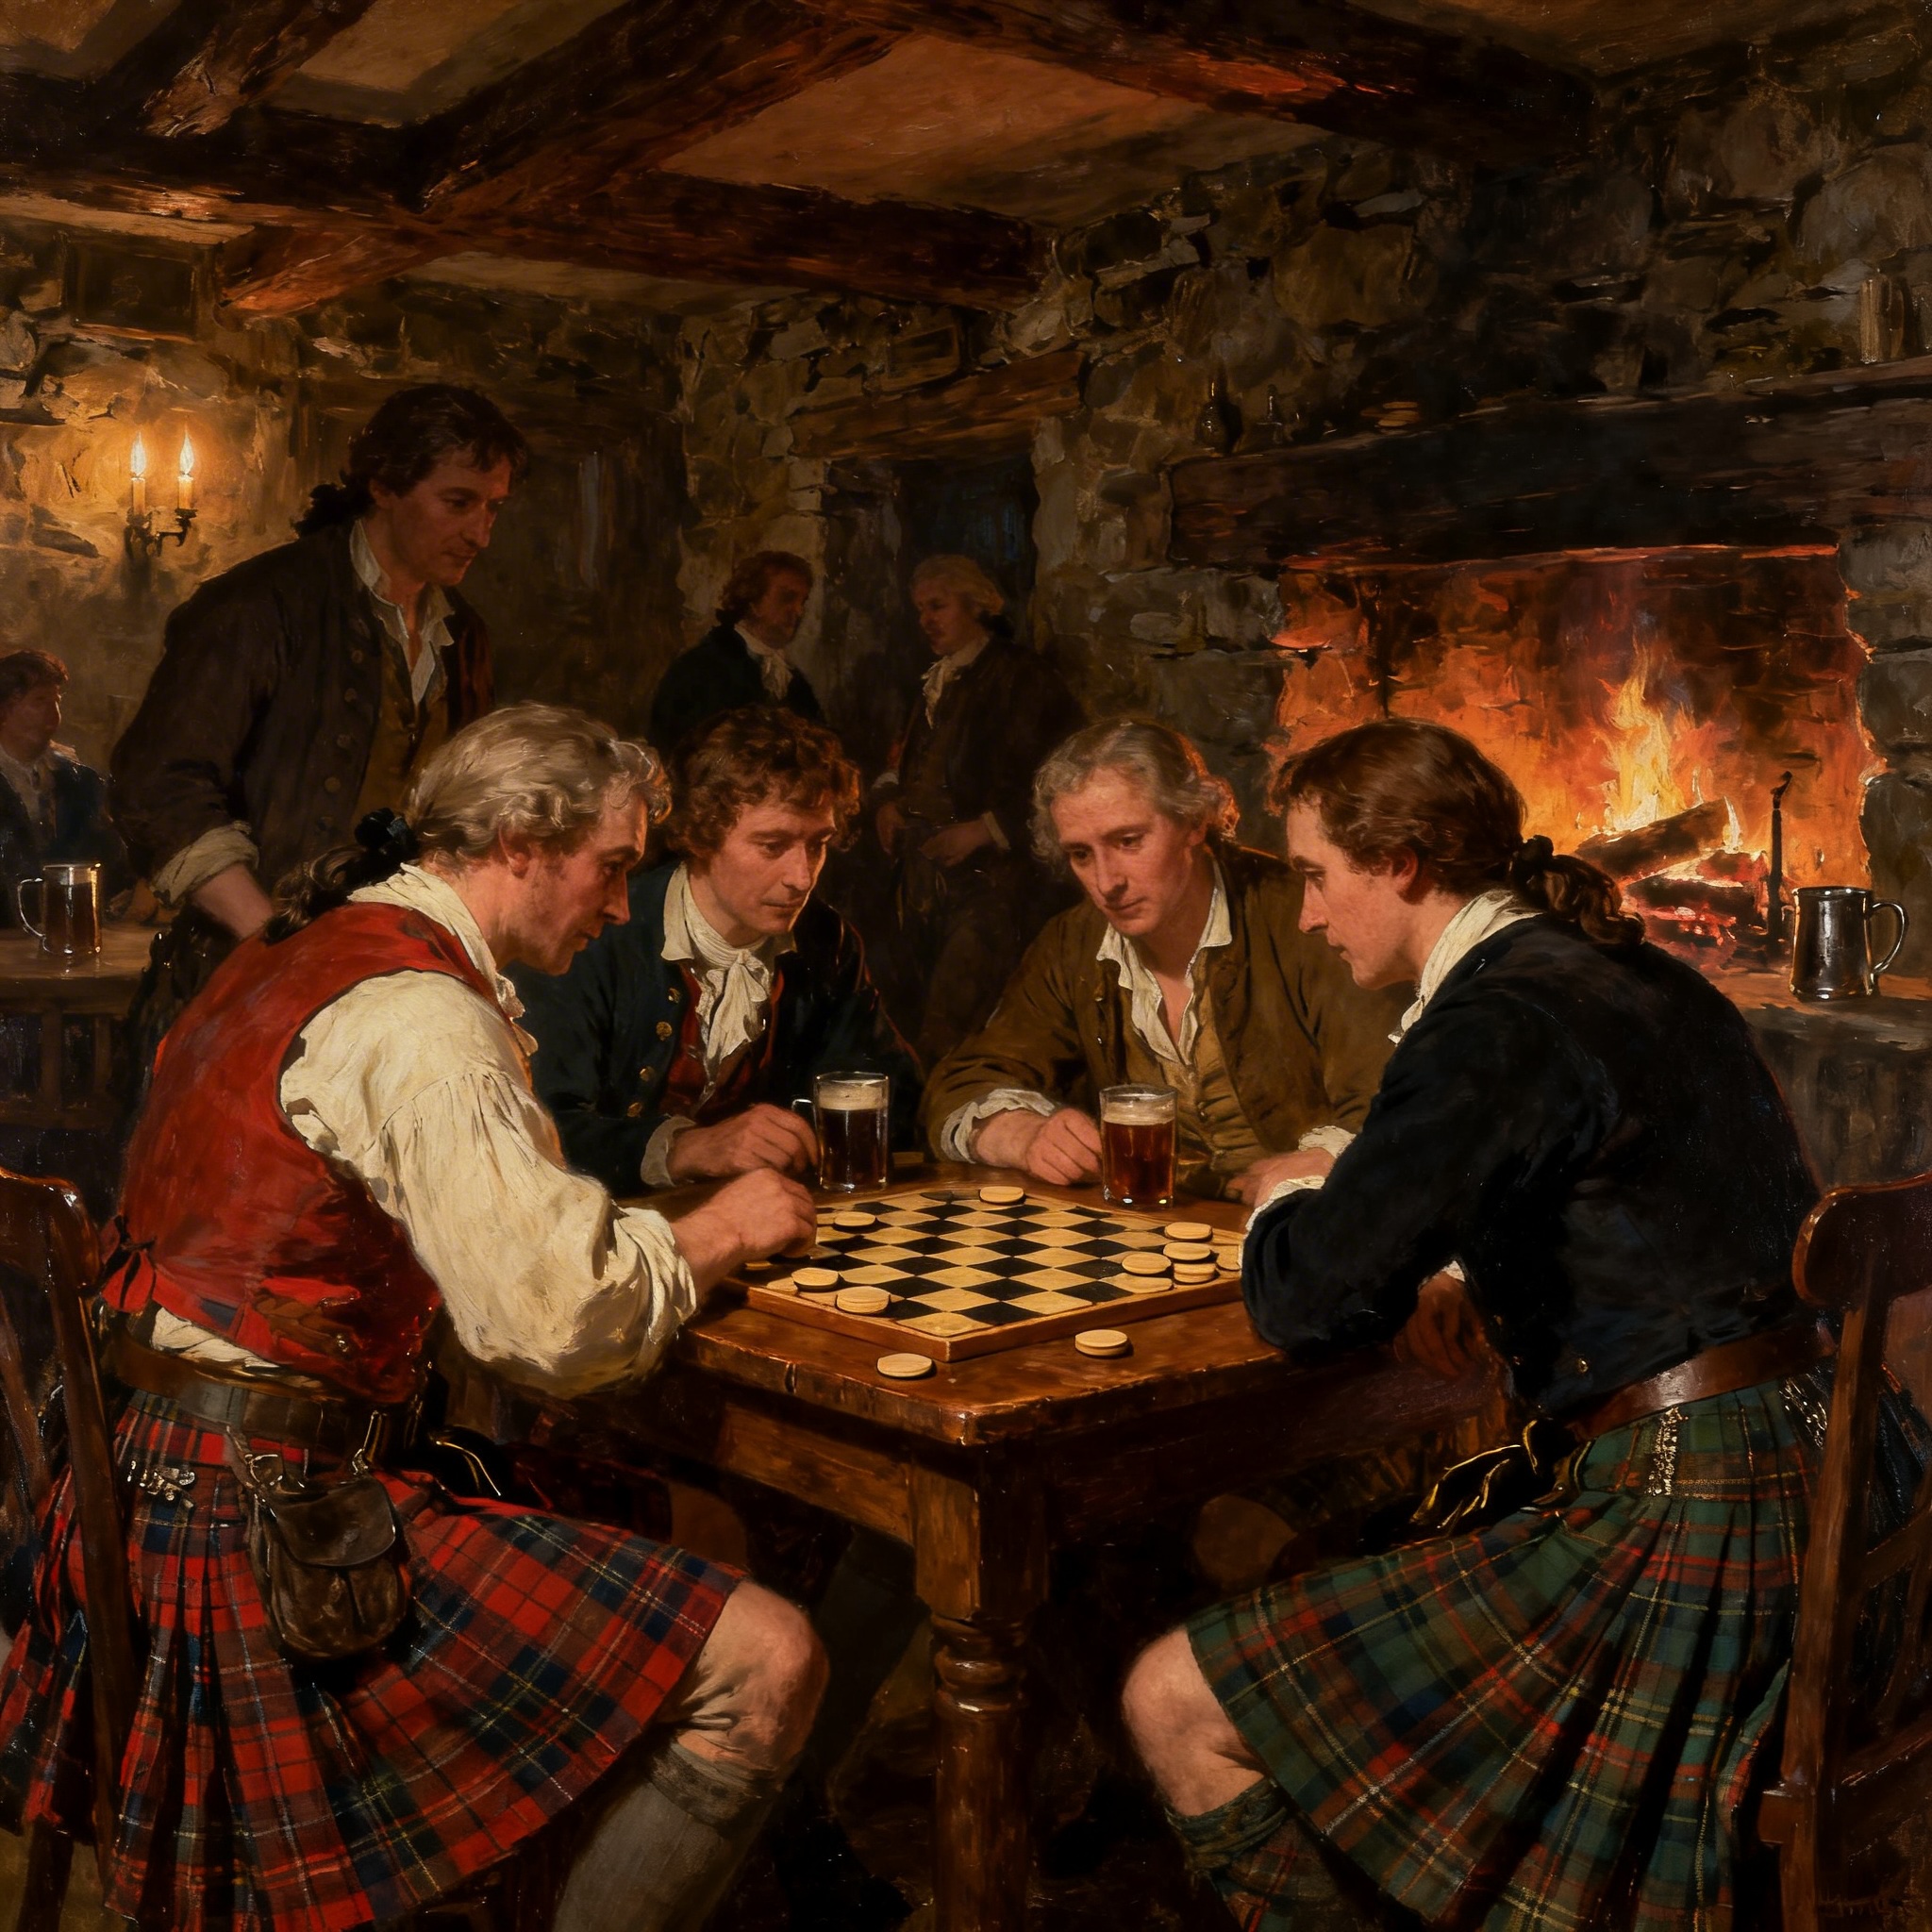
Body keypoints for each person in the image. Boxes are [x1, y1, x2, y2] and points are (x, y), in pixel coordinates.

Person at [0, 703, 831, 1932]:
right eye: (610, 867)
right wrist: (717, 1230)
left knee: (691, 1521)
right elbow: (553, 1315)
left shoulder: (299, 948)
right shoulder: (422, 1017)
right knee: (771, 1661)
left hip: (128, 1486)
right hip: (253, 1530)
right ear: (514, 843)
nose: (618, 906)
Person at [1121, 718, 1927, 1930]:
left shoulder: (1493, 1019)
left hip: (1697, 1522)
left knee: (1173, 1696)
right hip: (1849, 1480)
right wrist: (1453, 1265)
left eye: (1313, 877)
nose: (1304, 917)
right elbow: (1628, 1202)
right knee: (1337, 1565)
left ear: (1398, 862)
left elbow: (1308, 1298)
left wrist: (1288, 1191)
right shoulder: (1631, 972)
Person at [110, 382, 522, 1068]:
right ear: (385, 486)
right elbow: (156, 788)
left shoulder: (464, 636)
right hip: (239, 984)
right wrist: (276, 941)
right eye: (458, 503)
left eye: (494, 509)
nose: (480, 533)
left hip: (391, 981)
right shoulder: (258, 605)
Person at [923, 718, 1404, 1203]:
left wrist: (1327, 1162)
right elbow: (967, 1076)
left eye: (1128, 841)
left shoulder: (1304, 919)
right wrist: (1021, 1135)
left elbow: (1401, 1096)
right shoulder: (1074, 942)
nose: (1107, 882)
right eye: (1081, 854)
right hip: (1155, 1235)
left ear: (1194, 822)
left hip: (1301, 1230)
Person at [515, 706, 918, 1195]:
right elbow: (537, 1131)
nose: (802, 877)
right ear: (702, 835)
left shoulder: (826, 942)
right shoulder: (596, 936)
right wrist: (687, 1149)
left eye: (818, 844)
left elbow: (898, 1096)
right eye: (772, 845)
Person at [871, 554, 1083, 1064]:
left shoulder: (1022, 677)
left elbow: (1062, 780)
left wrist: (986, 829)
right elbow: (904, 762)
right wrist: (886, 802)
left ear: (976, 606)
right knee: (899, 1002)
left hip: (995, 883)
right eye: (921, 609)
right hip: (922, 877)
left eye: (938, 606)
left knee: (958, 1015)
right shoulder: (935, 682)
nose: (927, 620)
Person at [0, 649, 128, 924]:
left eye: (56, 701)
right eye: (40, 701)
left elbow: (114, 864)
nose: (53, 713)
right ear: (5, 710)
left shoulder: (81, 782)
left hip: (73, 928)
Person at [650, 551, 823, 755]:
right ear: (753, 601)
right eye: (787, 597)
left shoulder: (792, 680)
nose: (798, 611)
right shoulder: (703, 668)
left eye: (802, 601)